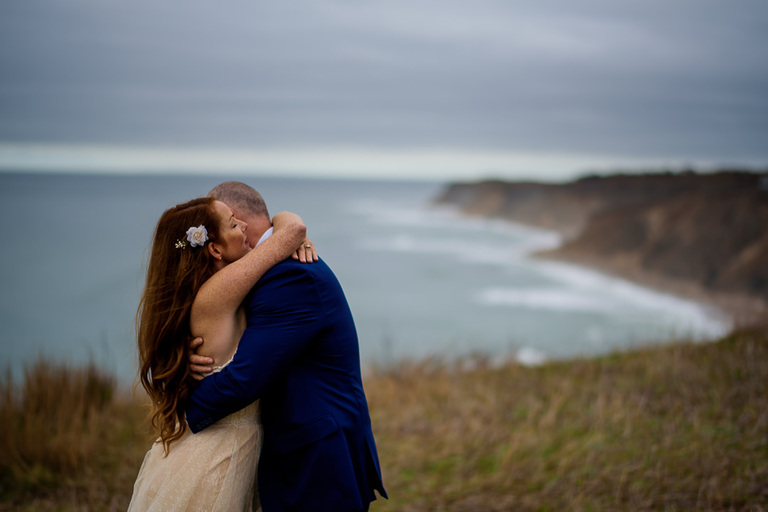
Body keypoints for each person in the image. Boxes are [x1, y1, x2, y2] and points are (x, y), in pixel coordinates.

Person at [186, 181, 387, 512]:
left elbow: (244, 380)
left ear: (237, 222)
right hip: (311, 448)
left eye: (217, 226)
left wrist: (178, 404)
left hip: (318, 458)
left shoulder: (289, 276)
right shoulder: (276, 264)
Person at [128, 195, 315, 511]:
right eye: (233, 223)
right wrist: (288, 223)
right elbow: (292, 229)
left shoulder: (209, 291)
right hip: (216, 459)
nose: (243, 225)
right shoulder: (219, 291)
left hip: (221, 449)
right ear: (213, 248)